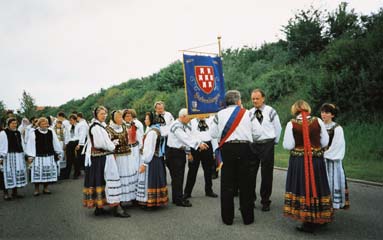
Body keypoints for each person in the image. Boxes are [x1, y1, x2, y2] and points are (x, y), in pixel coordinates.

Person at [210, 90, 262, 225]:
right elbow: (258, 133)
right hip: (245, 149)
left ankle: (227, 218)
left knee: (227, 184)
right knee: (247, 184)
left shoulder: (219, 114)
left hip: (227, 149)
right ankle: (248, 218)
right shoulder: (249, 113)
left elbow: (213, 133)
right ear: (239, 101)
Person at [282, 100, 333, 233]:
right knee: (318, 186)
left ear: (295, 110)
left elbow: (288, 145)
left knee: (303, 187)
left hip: (299, 161)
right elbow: (325, 142)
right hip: (316, 160)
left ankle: (307, 221)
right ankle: (319, 217)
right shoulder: (318, 121)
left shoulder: (291, 124)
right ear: (307, 108)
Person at [83, 106, 129, 217]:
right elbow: (100, 143)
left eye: (105, 114)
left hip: (102, 157)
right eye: (101, 114)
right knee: (111, 180)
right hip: (102, 157)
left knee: (100, 181)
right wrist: (112, 145)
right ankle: (116, 208)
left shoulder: (100, 126)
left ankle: (99, 207)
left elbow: (105, 141)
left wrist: (111, 143)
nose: (104, 116)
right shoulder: (95, 127)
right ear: (96, 115)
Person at [166, 108, 209, 207]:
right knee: (177, 177)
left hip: (179, 152)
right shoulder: (176, 126)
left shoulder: (184, 125)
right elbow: (185, 138)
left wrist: (200, 142)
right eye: (189, 118)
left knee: (178, 177)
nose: (190, 120)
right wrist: (198, 145)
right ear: (183, 117)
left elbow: (191, 135)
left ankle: (177, 198)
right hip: (174, 153)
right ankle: (179, 200)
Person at [249, 89, 282, 211]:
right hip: (253, 145)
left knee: (267, 174)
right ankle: (250, 199)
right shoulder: (249, 113)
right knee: (250, 173)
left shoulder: (270, 111)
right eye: (253, 99)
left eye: (257, 98)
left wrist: (275, 141)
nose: (255, 101)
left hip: (267, 144)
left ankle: (265, 201)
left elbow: (278, 127)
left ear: (263, 98)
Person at [320, 103, 350, 210]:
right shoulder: (319, 126)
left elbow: (337, 145)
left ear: (332, 115)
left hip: (331, 161)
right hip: (319, 160)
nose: (324, 114)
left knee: (331, 182)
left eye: (327, 112)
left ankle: (331, 205)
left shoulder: (337, 128)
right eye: (322, 112)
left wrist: (324, 154)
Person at [106, 110, 137, 209]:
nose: (120, 119)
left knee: (130, 175)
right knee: (120, 176)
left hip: (127, 154)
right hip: (117, 156)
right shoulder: (108, 129)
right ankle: (120, 200)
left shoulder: (123, 126)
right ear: (113, 118)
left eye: (121, 117)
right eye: (118, 117)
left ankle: (132, 197)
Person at [136, 112, 168, 208]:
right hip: (157, 158)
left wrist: (144, 163)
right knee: (156, 179)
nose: (145, 121)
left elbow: (149, 149)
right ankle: (156, 200)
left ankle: (150, 201)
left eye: (146, 119)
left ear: (151, 120)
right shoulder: (156, 129)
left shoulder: (152, 132)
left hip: (152, 159)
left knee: (150, 179)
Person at [25, 117, 63, 196]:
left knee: (47, 173)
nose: (45, 125)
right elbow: (30, 145)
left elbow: (55, 143)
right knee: (37, 173)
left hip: (49, 155)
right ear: (39, 125)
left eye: (46, 124)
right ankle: (36, 189)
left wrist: (58, 153)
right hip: (38, 157)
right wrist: (30, 156)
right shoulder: (34, 133)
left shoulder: (51, 132)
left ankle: (46, 188)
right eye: (43, 124)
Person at [184, 116, 218, 199]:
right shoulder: (191, 122)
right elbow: (187, 137)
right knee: (192, 171)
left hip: (208, 146)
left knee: (208, 170)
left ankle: (209, 190)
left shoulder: (210, 121)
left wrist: (215, 151)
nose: (202, 115)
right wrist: (188, 153)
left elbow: (214, 137)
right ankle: (187, 192)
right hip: (195, 147)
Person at [0, 118, 28, 200]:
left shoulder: (18, 132)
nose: (14, 125)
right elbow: (2, 145)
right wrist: (1, 156)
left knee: (16, 173)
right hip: (8, 156)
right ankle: (5, 193)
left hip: (18, 155)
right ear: (8, 124)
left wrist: (24, 154)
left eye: (15, 123)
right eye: (12, 123)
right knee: (7, 174)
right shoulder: (3, 133)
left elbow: (21, 143)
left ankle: (14, 192)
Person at [63, 114, 80, 179]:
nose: (70, 121)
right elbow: (67, 135)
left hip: (76, 142)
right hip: (70, 143)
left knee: (76, 159)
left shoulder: (79, 126)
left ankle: (76, 173)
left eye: (71, 120)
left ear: (75, 120)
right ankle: (67, 174)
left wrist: (79, 144)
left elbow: (81, 135)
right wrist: (66, 144)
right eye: (70, 120)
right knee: (69, 159)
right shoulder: (68, 127)